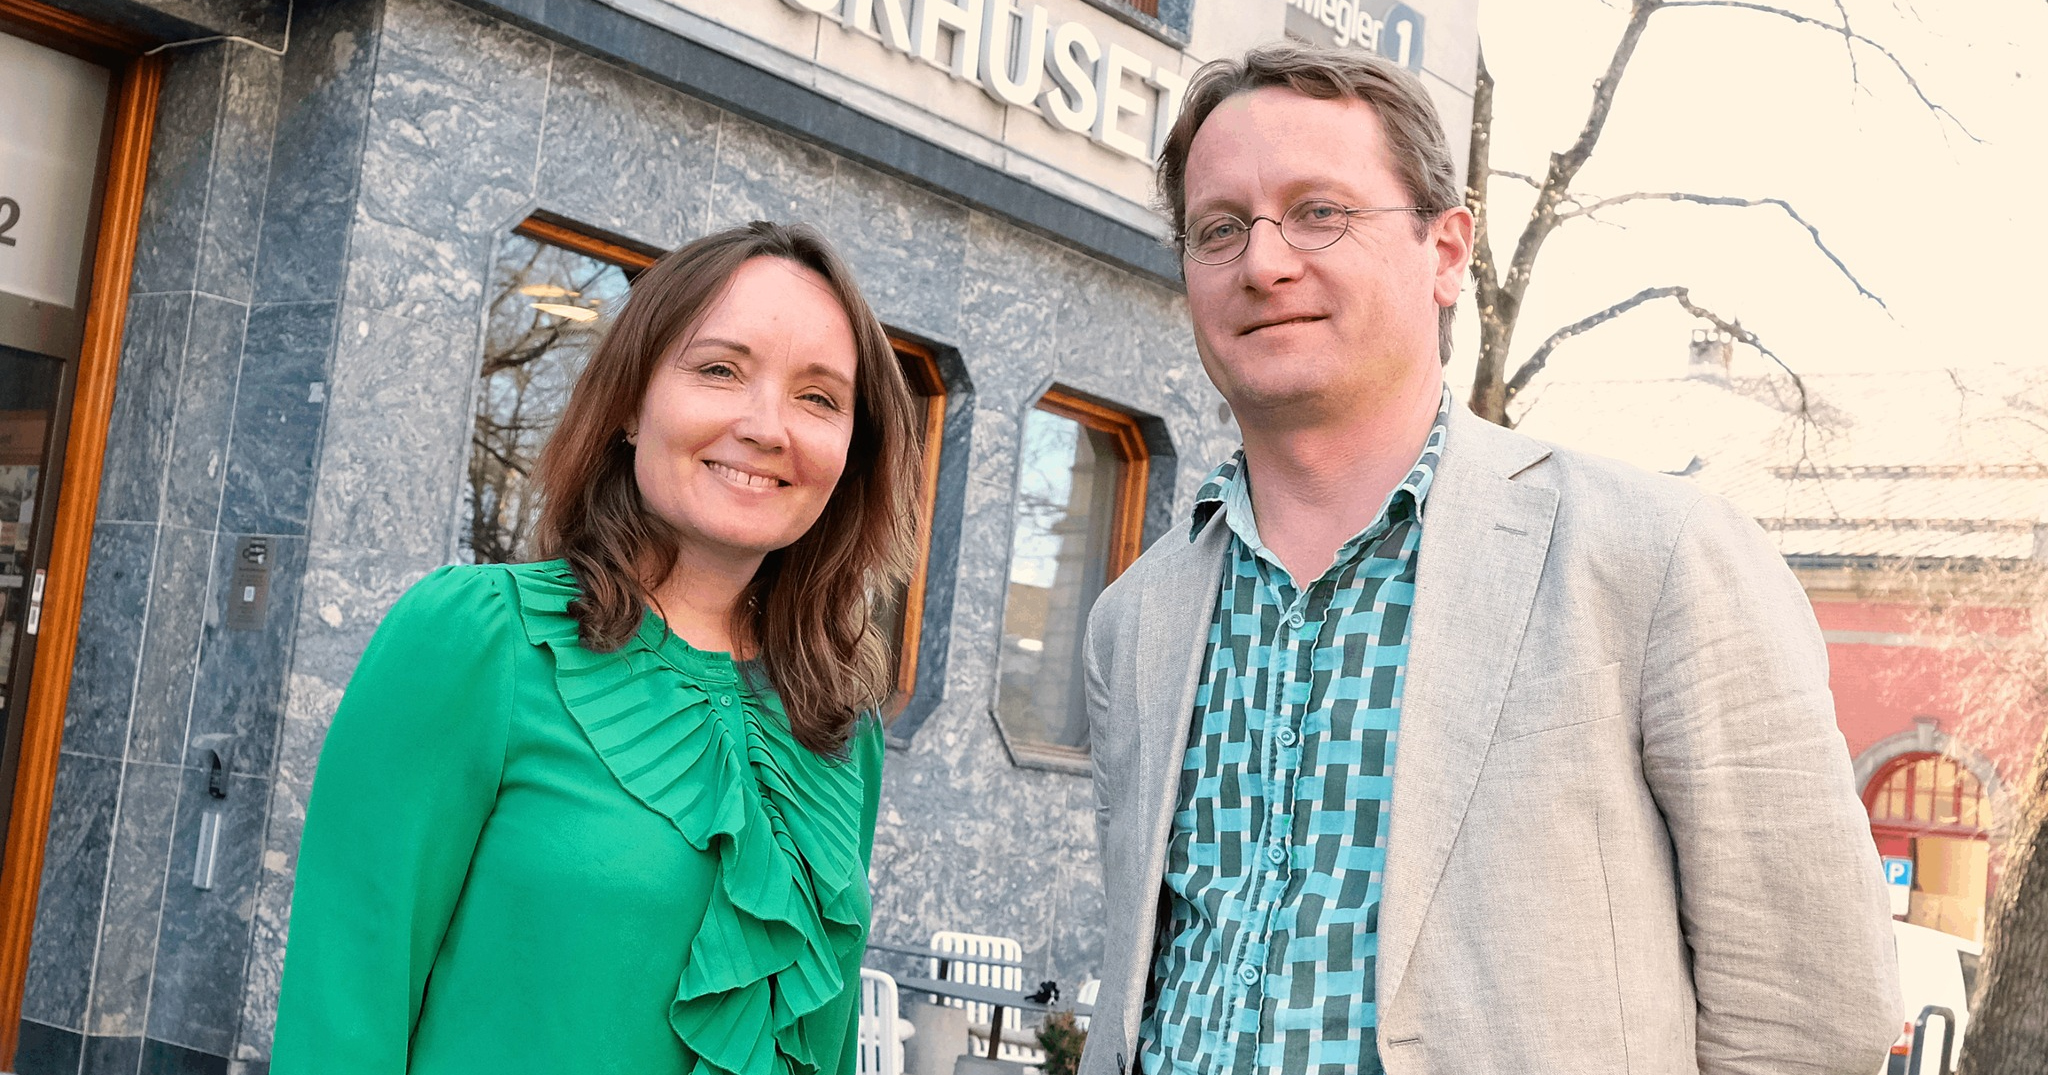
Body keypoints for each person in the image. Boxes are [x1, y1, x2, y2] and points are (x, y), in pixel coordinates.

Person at [1077, 45, 1898, 1075]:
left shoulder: (1653, 562)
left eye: (1318, 212)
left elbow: (1807, 1013)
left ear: (1446, 249)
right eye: (1219, 228)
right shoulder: (1132, 622)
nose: (1263, 261)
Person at [271, 221, 921, 1074]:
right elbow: (343, 1006)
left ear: (850, 452)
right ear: (628, 403)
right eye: (720, 369)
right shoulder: (478, 639)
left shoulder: (838, 727)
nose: (769, 427)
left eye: (819, 397)